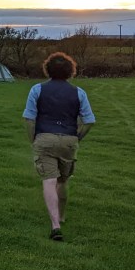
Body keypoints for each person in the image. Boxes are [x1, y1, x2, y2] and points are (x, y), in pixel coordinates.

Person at [22, 52, 96, 241]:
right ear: (71, 71)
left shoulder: (37, 90)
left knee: (49, 181)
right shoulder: (79, 92)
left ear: (47, 70)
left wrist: (33, 139)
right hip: (69, 140)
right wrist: (77, 137)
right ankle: (61, 216)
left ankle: (55, 226)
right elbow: (89, 121)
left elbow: (29, 119)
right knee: (62, 181)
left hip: (44, 139)